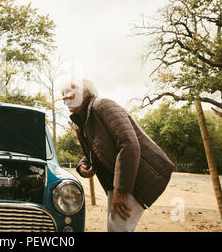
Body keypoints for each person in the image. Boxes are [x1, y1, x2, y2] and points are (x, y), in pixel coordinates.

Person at [61, 78, 174, 232]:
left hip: (137, 177)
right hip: (116, 182)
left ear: (85, 92)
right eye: (62, 94)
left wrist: (121, 190)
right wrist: (82, 166)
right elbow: (93, 152)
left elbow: (129, 145)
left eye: (68, 92)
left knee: (118, 227)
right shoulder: (80, 122)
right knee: (115, 227)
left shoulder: (102, 105)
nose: (64, 97)